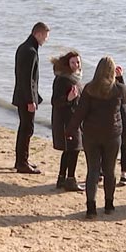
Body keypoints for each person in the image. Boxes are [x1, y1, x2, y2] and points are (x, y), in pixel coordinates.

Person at [67, 56, 126, 218]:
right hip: (112, 135)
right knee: (109, 171)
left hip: (91, 135)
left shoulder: (89, 88)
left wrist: (71, 130)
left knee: (93, 170)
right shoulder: (118, 89)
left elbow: (80, 112)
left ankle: (91, 207)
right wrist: (120, 77)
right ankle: (109, 204)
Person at [12, 22, 48, 174]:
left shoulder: (24, 47)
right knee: (27, 129)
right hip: (26, 97)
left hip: (21, 95)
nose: (46, 40)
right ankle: (22, 163)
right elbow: (28, 79)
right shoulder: (31, 51)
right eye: (45, 36)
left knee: (24, 128)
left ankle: (21, 160)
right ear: (38, 34)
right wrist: (30, 101)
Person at [51, 51, 84, 192]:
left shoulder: (74, 78)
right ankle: (70, 179)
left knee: (69, 150)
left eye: (78, 62)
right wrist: (68, 99)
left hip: (73, 119)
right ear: (67, 63)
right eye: (73, 62)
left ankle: (61, 178)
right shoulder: (62, 79)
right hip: (66, 121)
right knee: (74, 149)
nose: (76, 65)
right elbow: (54, 101)